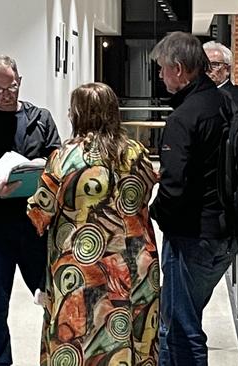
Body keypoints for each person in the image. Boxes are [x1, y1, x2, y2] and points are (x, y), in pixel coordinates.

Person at [27, 82, 160, 365]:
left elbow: (42, 211)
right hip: (136, 261)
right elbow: (146, 193)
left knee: (78, 338)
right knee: (133, 336)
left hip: (83, 266)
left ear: (79, 114)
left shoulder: (64, 156)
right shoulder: (136, 152)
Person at [149, 32, 238, 365]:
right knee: (183, 321)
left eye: (162, 69)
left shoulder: (184, 117)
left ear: (178, 68)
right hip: (227, 230)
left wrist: (153, 213)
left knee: (179, 330)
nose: (160, 76)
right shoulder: (224, 103)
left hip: (193, 236)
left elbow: (174, 187)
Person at [0, 55, 60, 366]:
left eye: (13, 86)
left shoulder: (40, 119)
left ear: (20, 81)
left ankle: (57, 357)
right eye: (0, 89)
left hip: (35, 224)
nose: (8, 93)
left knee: (52, 298)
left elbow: (57, 160)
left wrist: (45, 168)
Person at [202, 40, 238, 110]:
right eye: (204, 64)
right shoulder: (194, 95)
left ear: (227, 69)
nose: (208, 69)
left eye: (214, 64)